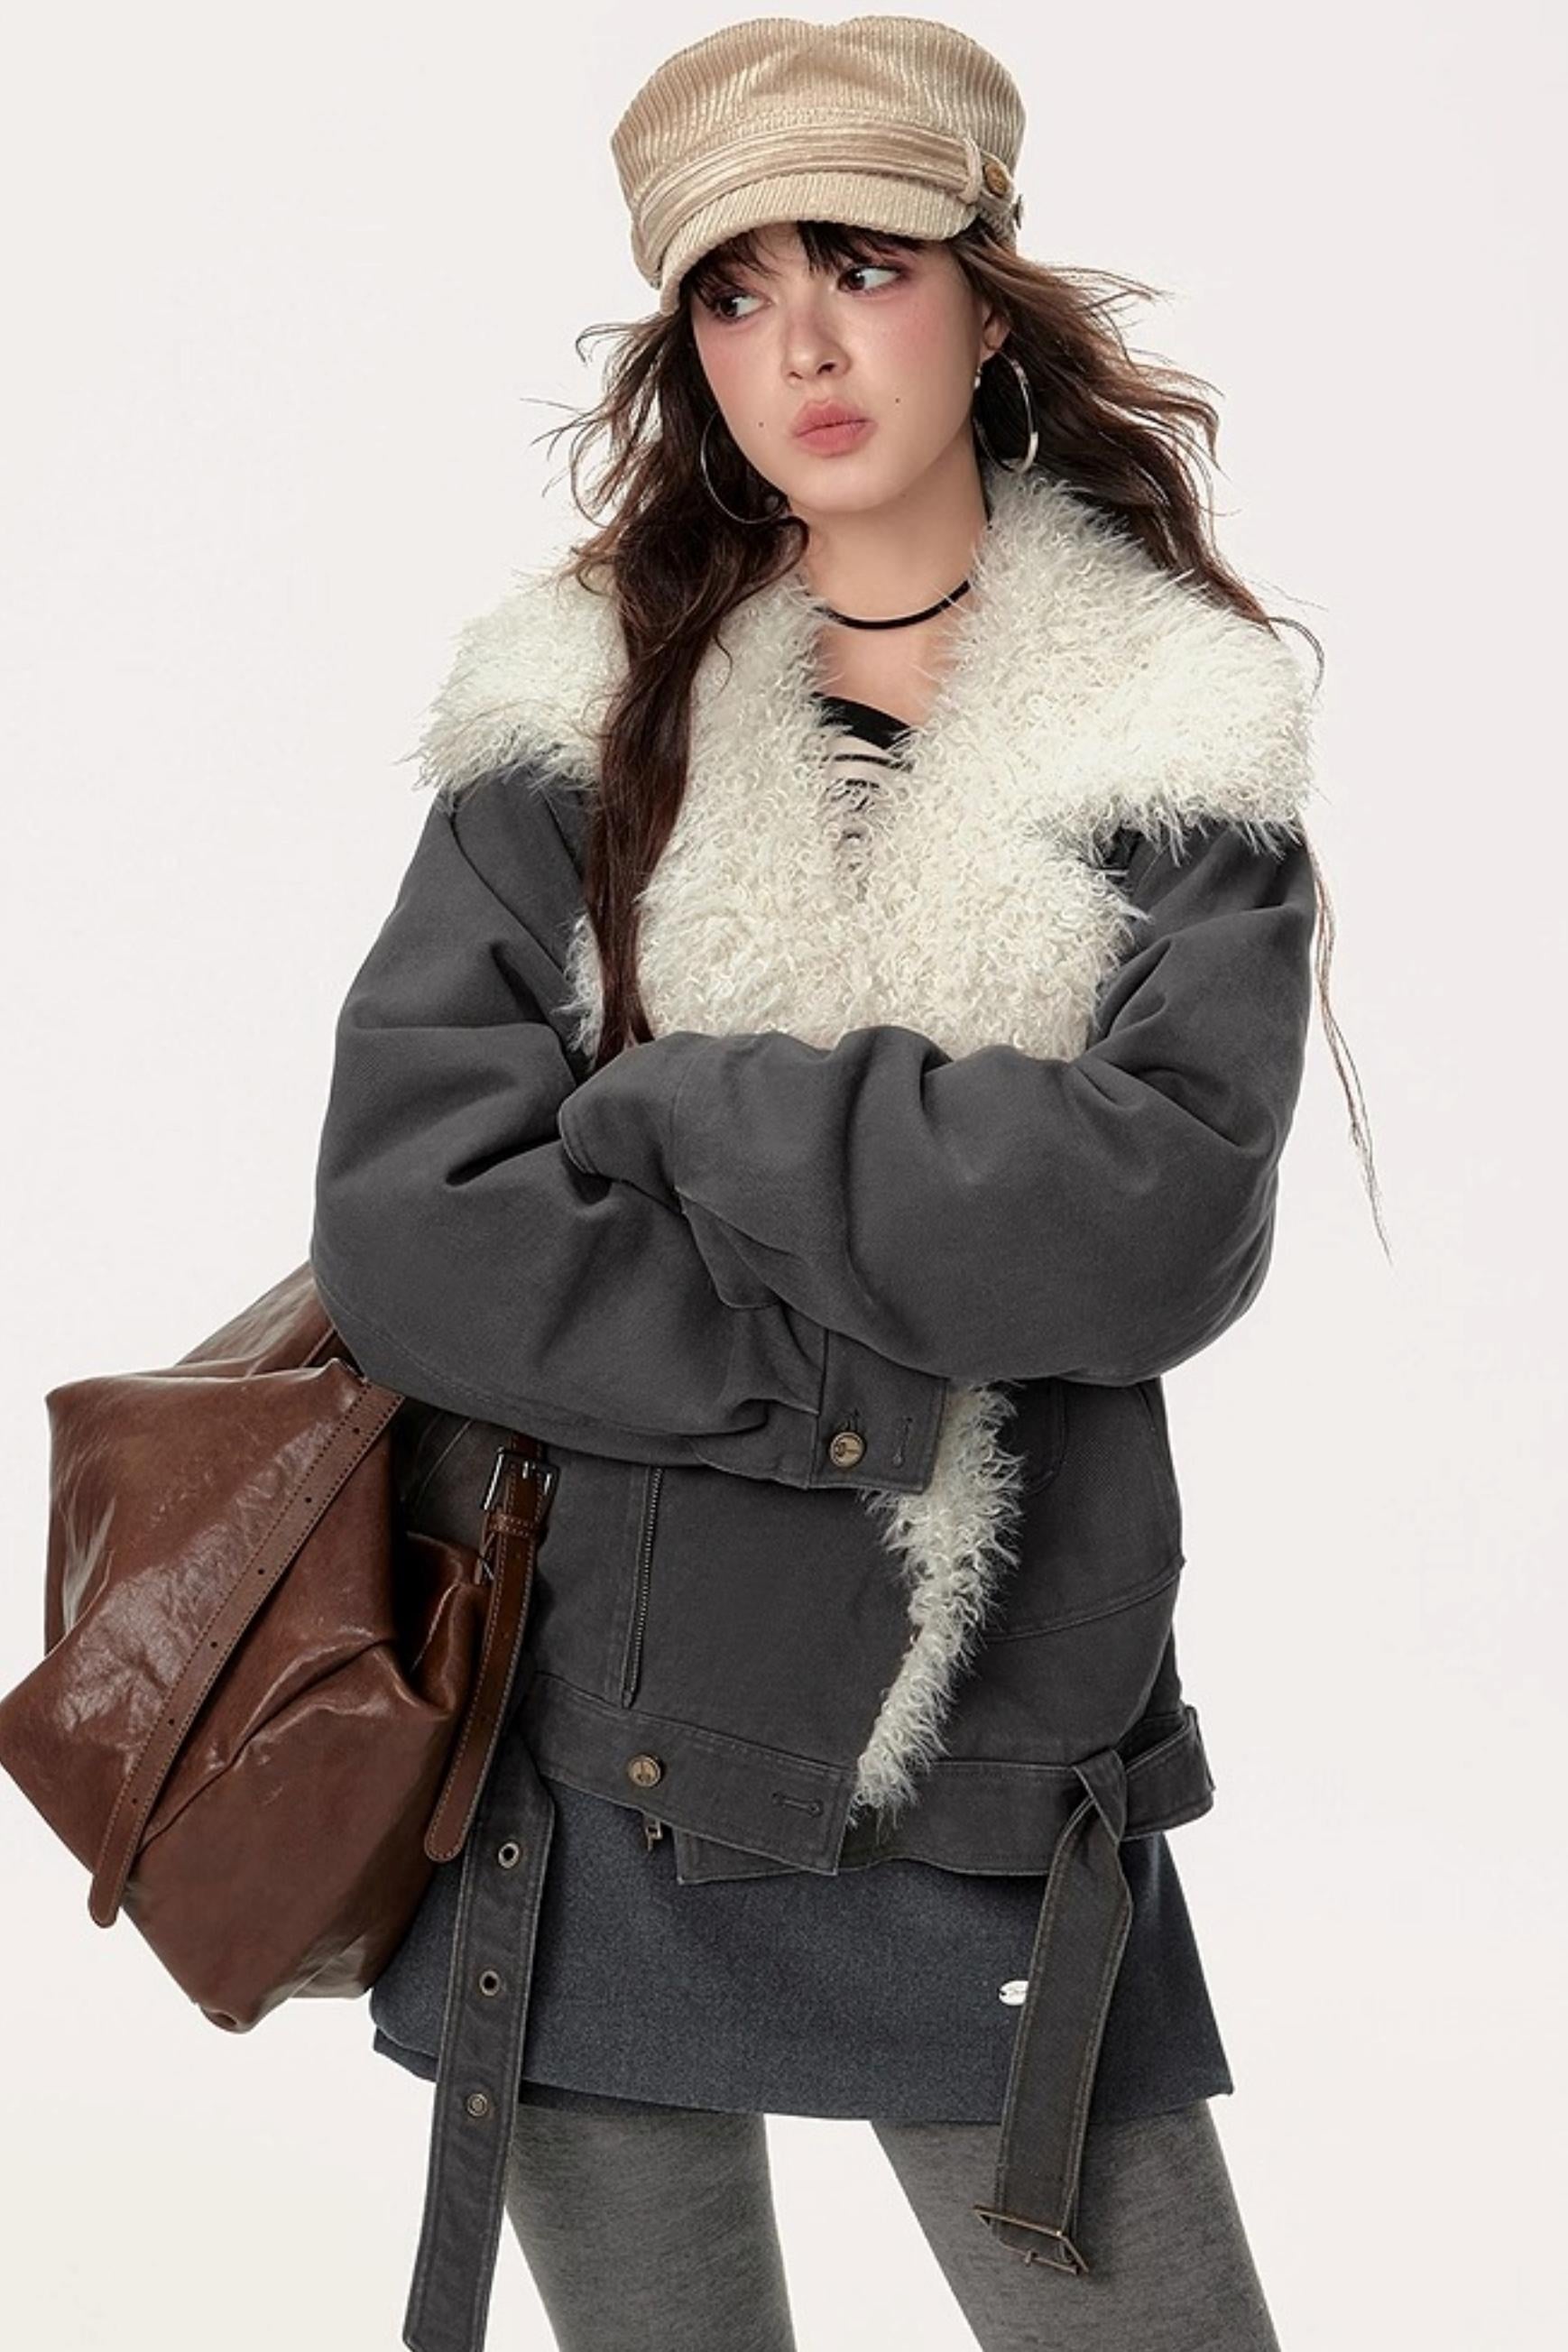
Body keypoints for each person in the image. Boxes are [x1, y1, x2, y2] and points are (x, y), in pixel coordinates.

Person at [310, 16, 1376, 2351]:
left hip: (995, 1726)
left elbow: (1150, 1227)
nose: (798, 343)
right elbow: (415, 1227)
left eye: (863, 267)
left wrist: (687, 1107)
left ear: (984, 302)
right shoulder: (571, 719)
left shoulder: (1172, 737)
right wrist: (893, 1360)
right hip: (591, 1721)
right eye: (733, 289)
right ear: (685, 346)